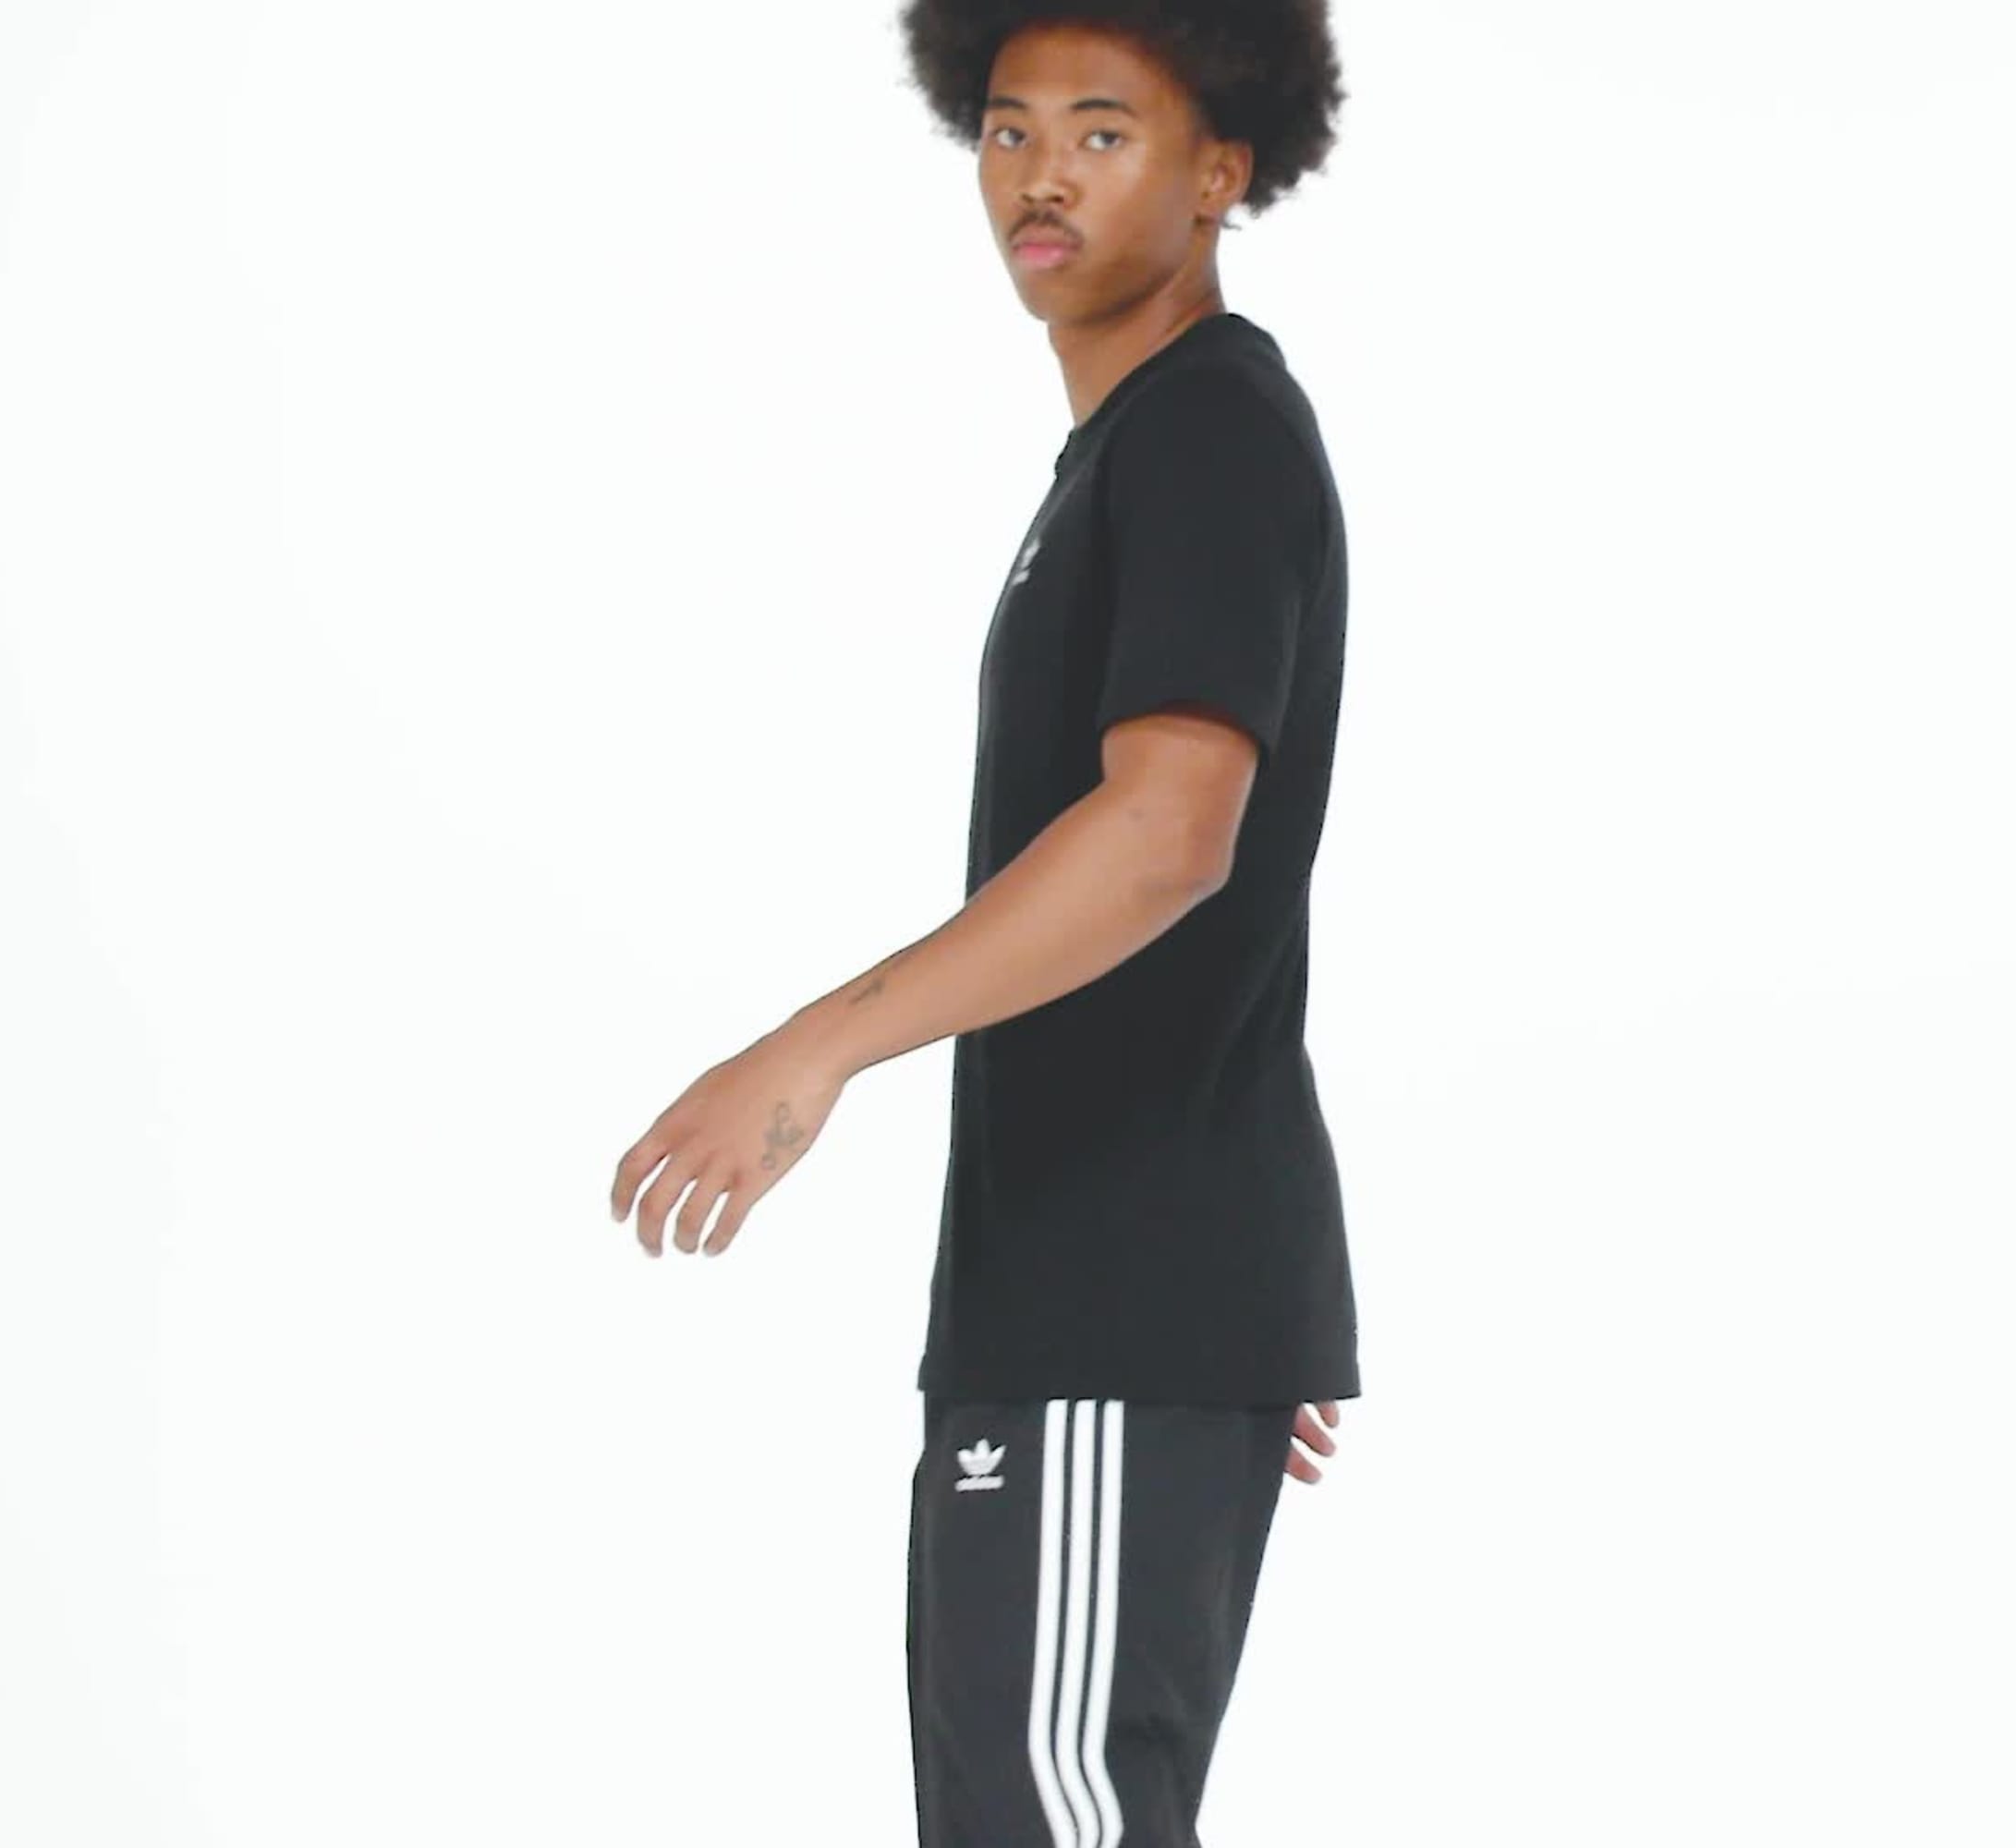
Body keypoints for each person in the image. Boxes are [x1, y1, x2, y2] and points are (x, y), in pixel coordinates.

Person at [604, 6, 1360, 1841]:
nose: (1039, 175)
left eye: (1103, 131)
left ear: (1220, 170)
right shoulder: (1127, 455)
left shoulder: (1205, 431)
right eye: (1009, 129)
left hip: (1118, 1300)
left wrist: (814, 1048)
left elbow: (1171, 836)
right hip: (1098, 1308)